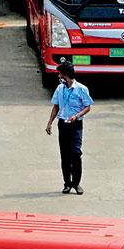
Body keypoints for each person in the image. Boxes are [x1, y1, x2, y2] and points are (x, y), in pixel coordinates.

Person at [45, 61, 92, 195]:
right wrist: (50, 122)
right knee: (64, 154)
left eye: (60, 74)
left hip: (75, 124)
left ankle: (76, 183)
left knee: (76, 153)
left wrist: (76, 116)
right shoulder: (60, 89)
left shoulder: (81, 89)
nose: (59, 76)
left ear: (65, 75)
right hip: (62, 123)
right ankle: (67, 183)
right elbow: (56, 106)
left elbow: (87, 107)